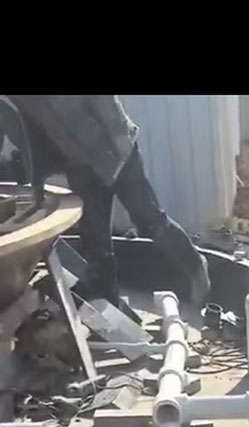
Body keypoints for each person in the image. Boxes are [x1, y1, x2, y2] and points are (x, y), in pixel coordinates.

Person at [8, 95, 210, 307]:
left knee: (150, 221)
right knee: (94, 237)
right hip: (79, 165)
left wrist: (120, 150)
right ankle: (107, 297)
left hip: (117, 150)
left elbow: (106, 103)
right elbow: (32, 132)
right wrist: (37, 182)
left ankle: (195, 266)